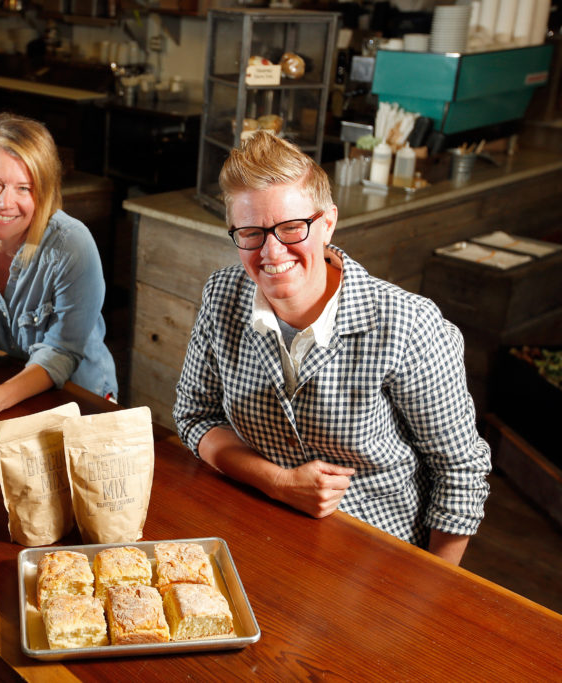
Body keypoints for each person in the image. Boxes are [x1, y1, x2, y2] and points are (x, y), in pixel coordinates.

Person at [173, 132, 490, 565]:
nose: (271, 251)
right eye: (251, 232)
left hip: (376, 554)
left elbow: (460, 470)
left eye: (290, 228)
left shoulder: (407, 324)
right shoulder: (223, 294)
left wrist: (432, 588)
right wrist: (278, 483)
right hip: (252, 523)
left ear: (327, 224)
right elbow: (195, 416)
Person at [0, 112, 117, 424]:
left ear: (42, 192)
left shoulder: (73, 245)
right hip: (8, 392)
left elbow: (62, 352)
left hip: (81, 399)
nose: (5, 202)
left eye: (24, 188)